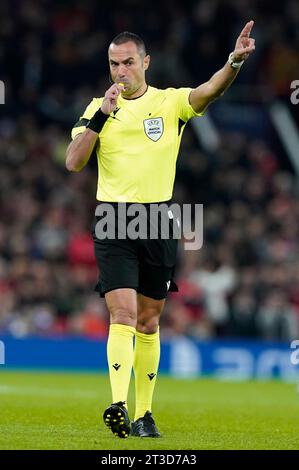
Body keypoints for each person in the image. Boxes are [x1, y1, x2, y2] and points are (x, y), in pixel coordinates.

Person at [66, 23, 255, 438]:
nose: (121, 71)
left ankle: (144, 414)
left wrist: (233, 63)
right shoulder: (97, 107)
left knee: (149, 323)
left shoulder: (168, 103)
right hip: (113, 220)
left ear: (145, 62)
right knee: (122, 313)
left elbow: (208, 91)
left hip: (157, 220)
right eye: (114, 64)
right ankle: (117, 403)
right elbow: (73, 162)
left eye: (129, 62)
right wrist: (101, 115)